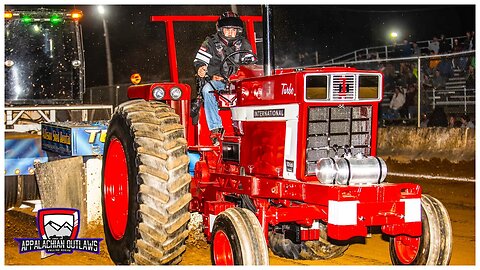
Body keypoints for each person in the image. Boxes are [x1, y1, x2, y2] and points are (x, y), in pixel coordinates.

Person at [193, 11, 253, 145]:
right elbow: (199, 61)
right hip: (217, 82)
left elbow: (251, 63)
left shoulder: (244, 44)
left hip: (239, 83)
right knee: (207, 89)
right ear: (220, 30)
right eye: (227, 30)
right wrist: (201, 68)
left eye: (234, 30)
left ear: (239, 31)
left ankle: (250, 126)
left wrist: (242, 75)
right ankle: (216, 129)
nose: (231, 33)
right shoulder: (210, 43)